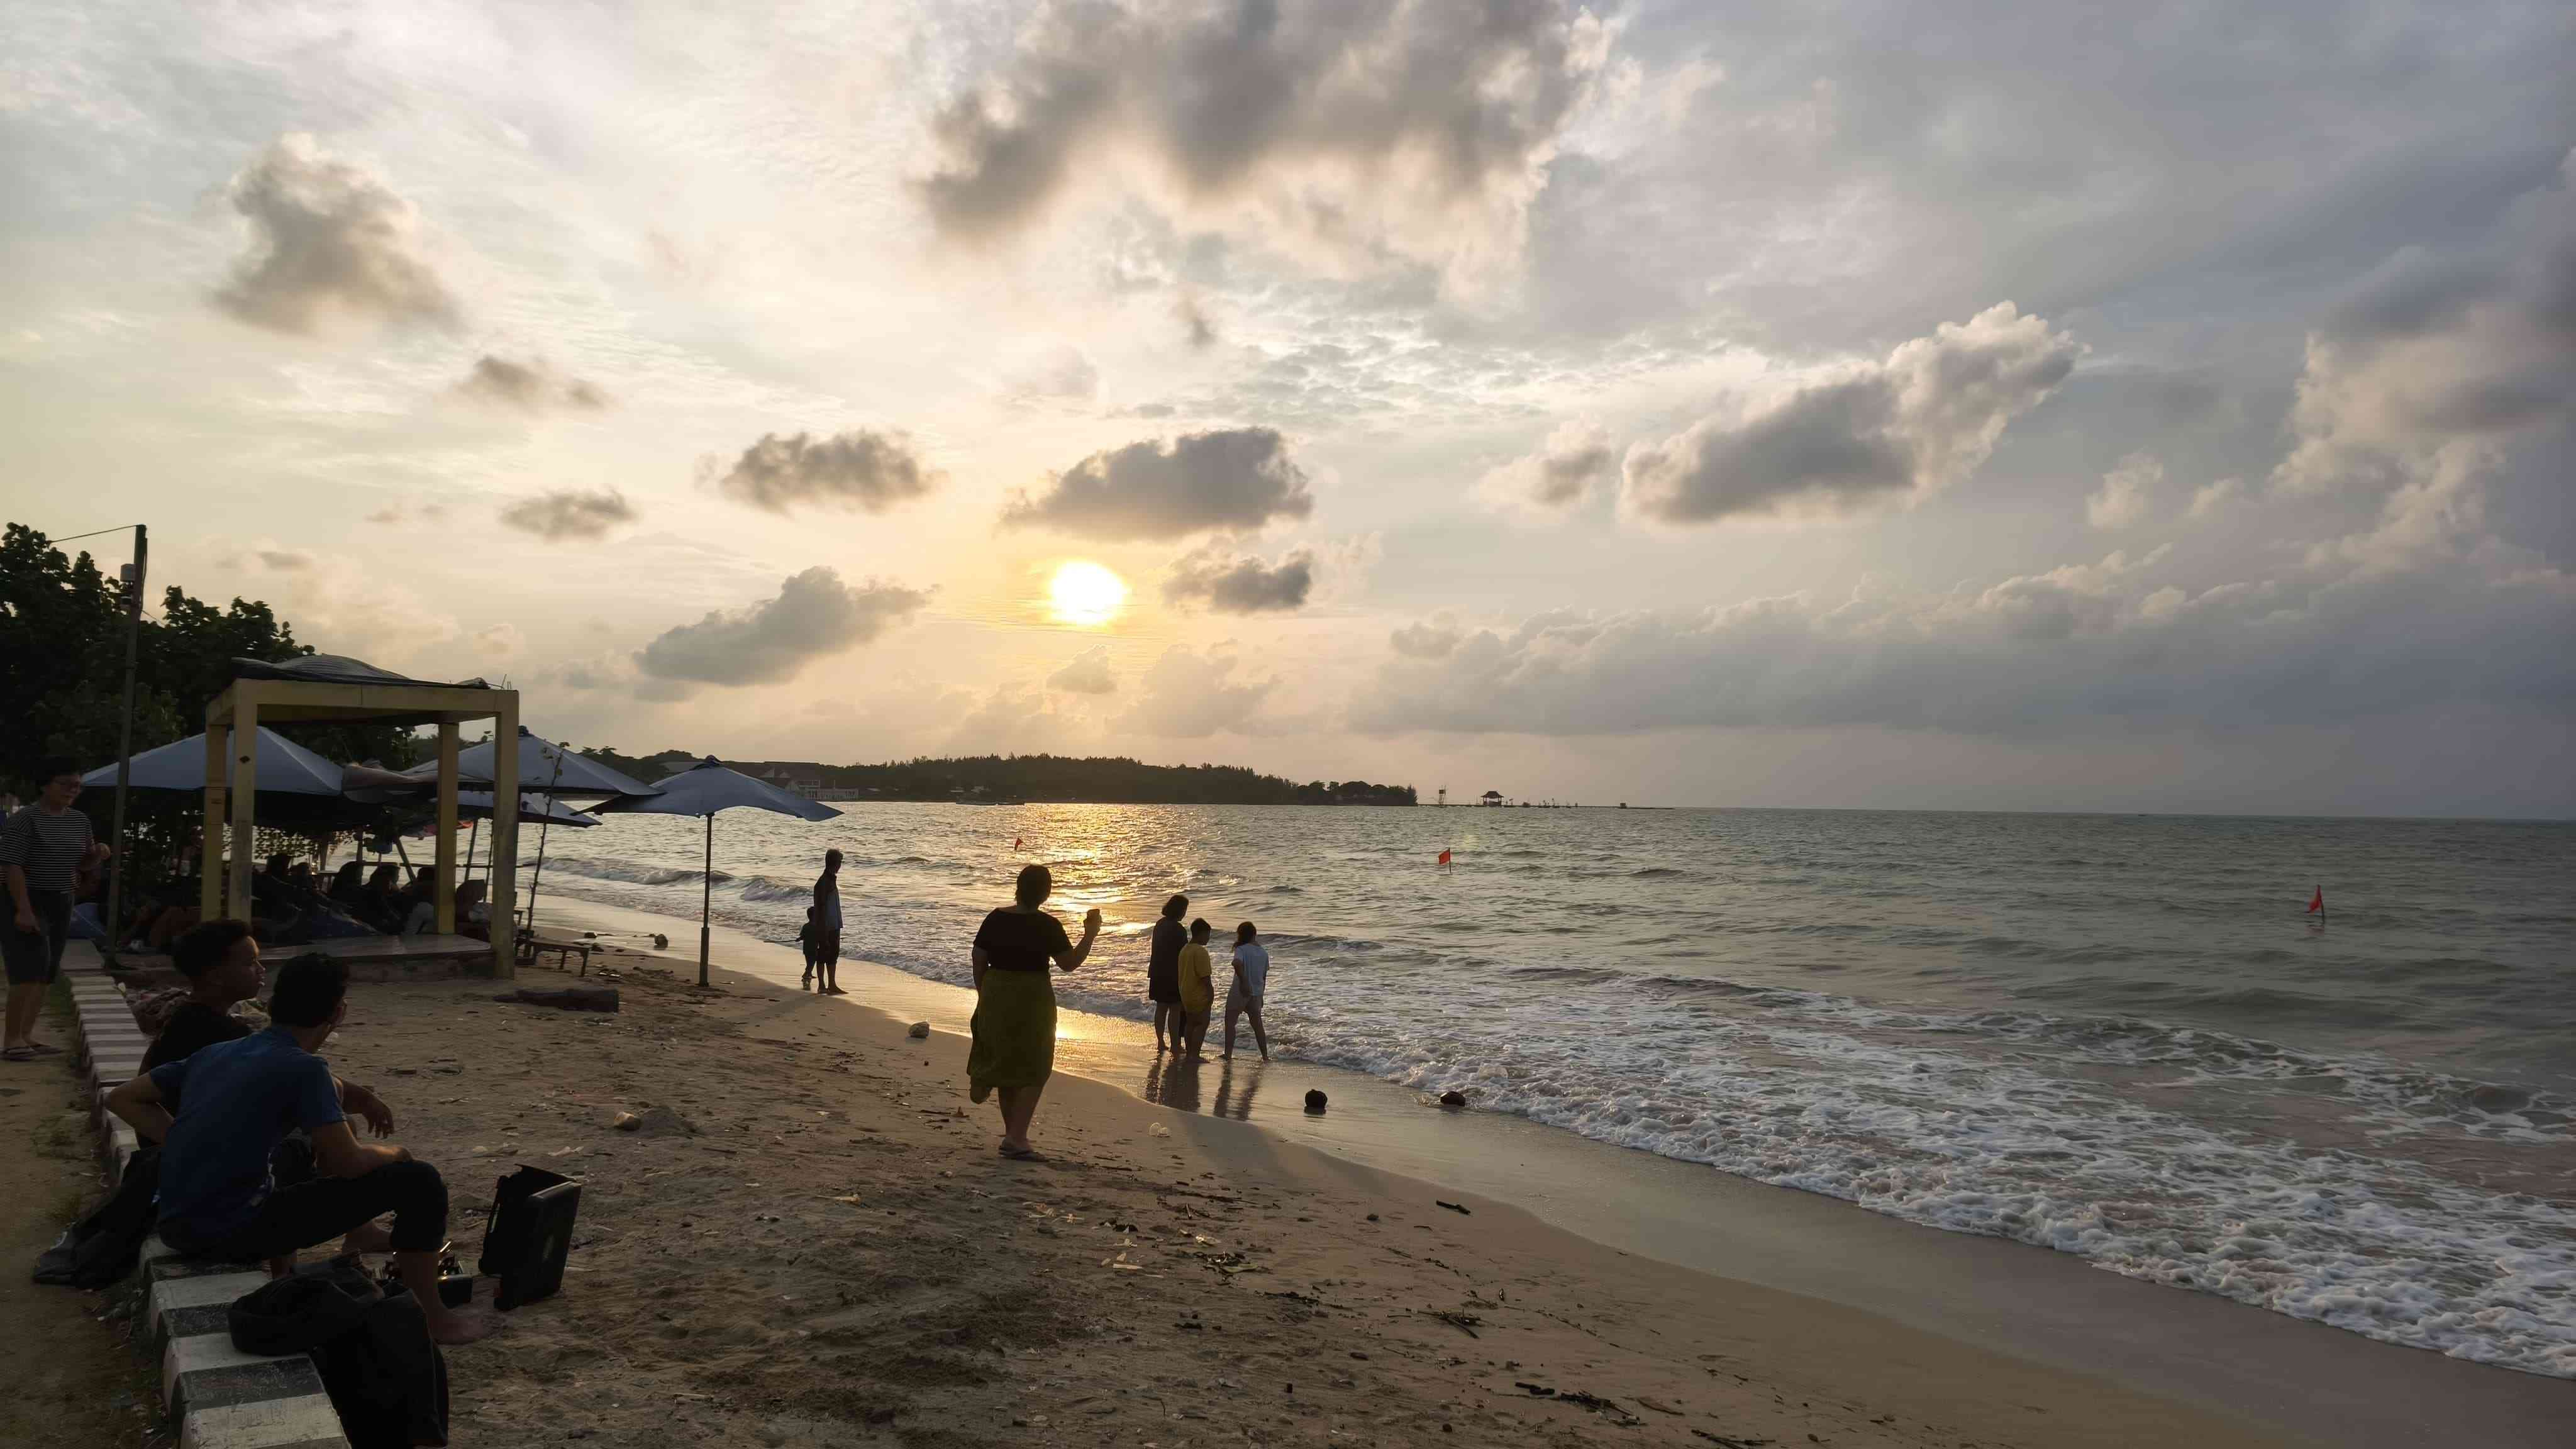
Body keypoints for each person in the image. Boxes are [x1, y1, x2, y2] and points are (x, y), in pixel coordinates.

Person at [104, 953, 498, 1344]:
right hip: (227, 1232)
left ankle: (293, 1270)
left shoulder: (220, 1052)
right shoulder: (306, 1069)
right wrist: (397, 1154)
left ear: (274, 1006)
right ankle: (431, 1317)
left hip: (178, 1222)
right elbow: (348, 1163)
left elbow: (122, 1098)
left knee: (297, 1146)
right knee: (419, 1181)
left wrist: (188, 1144)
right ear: (338, 1012)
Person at [967, 865, 1100, 1160]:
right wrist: (1090, 934)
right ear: (1046, 893)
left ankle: (1014, 1135)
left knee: (1005, 1063)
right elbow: (1069, 963)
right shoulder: (1047, 925)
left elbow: (979, 956)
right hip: (1032, 997)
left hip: (996, 991)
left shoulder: (995, 918)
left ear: (1018, 887)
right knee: (1036, 1065)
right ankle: (1016, 1138)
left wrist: (984, 992)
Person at [4, 757, 106, 1062]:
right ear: (45, 785)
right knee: (28, 966)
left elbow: (82, 863)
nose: (72, 790)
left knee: (47, 969)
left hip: (62, 898)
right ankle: (11, 1040)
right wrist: (23, 909)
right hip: (27, 897)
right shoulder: (25, 819)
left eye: (77, 785)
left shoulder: (79, 821)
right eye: (65, 784)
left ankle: (27, 1035)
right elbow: (12, 866)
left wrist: (97, 855)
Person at [1223, 921, 1270, 1062]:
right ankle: (1265, 1056)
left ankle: (1228, 1054)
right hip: (1256, 993)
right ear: (1255, 935)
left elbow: (1237, 963)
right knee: (1258, 1026)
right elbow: (1264, 976)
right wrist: (1261, 995)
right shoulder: (1263, 952)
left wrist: (1244, 982)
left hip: (1240, 991)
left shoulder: (1241, 949)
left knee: (1230, 1022)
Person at [1147, 894, 1189, 1053]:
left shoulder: (1160, 924)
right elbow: (1183, 954)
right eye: (1184, 909)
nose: (1185, 913)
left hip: (1157, 971)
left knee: (1161, 1008)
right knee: (1175, 1010)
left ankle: (1160, 1042)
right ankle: (1175, 1045)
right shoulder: (1179, 930)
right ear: (1179, 910)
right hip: (1173, 974)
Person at [1177, 918, 1215, 1061]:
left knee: (1190, 1023)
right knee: (1202, 1024)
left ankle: (1189, 1052)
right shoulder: (1200, 952)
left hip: (1185, 993)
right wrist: (1211, 995)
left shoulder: (1185, 950)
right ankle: (1195, 1054)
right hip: (1199, 995)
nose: (1209, 938)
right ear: (1202, 933)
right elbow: (1205, 977)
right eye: (1208, 935)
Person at [811, 849, 845, 995]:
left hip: (834, 924)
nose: (840, 865)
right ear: (834, 863)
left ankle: (831, 984)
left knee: (833, 954)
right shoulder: (824, 882)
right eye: (839, 862)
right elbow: (821, 907)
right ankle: (822, 984)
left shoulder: (830, 880)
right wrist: (822, 927)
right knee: (823, 954)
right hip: (826, 926)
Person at [799, 906, 823, 992]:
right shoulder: (816, 926)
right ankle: (806, 974)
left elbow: (802, 936)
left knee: (809, 962)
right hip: (813, 948)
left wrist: (799, 939)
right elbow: (819, 937)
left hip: (806, 948)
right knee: (812, 963)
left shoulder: (806, 926)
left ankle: (809, 973)